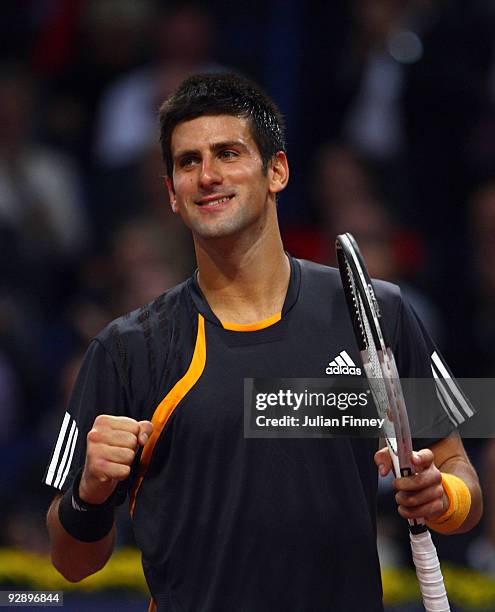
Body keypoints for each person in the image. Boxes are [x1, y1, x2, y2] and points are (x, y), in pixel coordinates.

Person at [45, 73, 482, 611]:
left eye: (228, 153)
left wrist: (445, 496)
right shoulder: (125, 349)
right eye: (188, 162)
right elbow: (70, 561)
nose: (208, 176)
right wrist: (89, 495)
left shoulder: (376, 310)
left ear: (277, 171)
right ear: (172, 195)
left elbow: (460, 470)